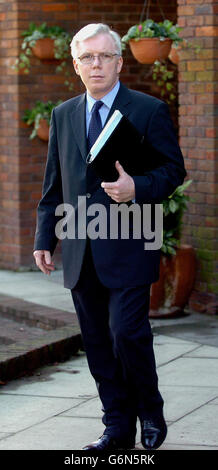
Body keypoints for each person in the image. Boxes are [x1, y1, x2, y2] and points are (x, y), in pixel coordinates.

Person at [33, 23, 186, 451]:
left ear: (119, 61)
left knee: (126, 333)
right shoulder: (63, 114)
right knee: (98, 342)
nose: (96, 64)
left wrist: (137, 187)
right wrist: (45, 237)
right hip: (81, 248)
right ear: (76, 64)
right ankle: (117, 427)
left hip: (132, 241)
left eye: (104, 56)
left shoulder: (148, 110)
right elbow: (54, 184)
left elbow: (173, 171)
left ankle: (150, 412)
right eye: (87, 57)